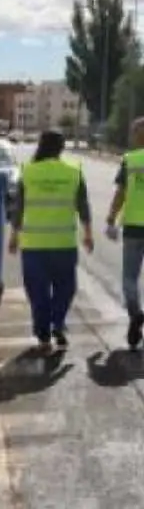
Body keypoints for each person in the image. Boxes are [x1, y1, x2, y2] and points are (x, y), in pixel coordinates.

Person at [7, 130, 92, 352]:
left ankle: (44, 331)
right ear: (61, 148)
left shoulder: (28, 171)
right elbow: (83, 206)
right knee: (66, 288)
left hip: (34, 245)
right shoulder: (74, 171)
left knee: (37, 291)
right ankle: (58, 322)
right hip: (64, 243)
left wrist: (14, 236)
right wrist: (88, 234)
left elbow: (19, 208)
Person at [105, 117, 144, 349]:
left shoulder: (129, 160)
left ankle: (136, 315)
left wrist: (111, 218)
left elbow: (120, 193)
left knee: (129, 278)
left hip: (133, 228)